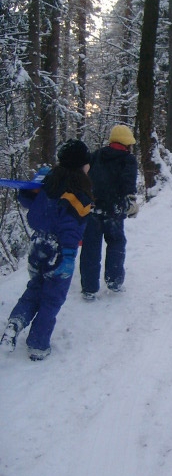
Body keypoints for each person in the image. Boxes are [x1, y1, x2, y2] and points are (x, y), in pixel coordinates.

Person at [0, 140, 92, 361]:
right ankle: (37, 345)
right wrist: (68, 257)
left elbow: (26, 200)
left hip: (38, 245)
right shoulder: (78, 193)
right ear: (81, 165)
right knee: (52, 299)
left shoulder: (51, 183)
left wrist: (35, 184)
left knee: (35, 288)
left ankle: (15, 322)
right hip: (58, 252)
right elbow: (71, 229)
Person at [80, 124, 138, 299]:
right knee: (116, 243)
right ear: (127, 143)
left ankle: (89, 289)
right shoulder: (128, 159)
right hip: (114, 210)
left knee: (90, 248)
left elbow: (84, 175)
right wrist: (131, 201)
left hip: (93, 208)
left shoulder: (96, 155)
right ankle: (114, 282)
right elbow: (128, 183)